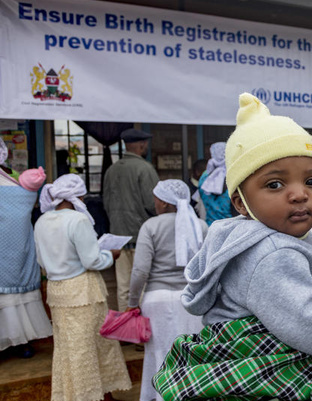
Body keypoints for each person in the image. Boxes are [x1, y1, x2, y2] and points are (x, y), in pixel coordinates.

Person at [181, 93, 312, 361]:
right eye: (275, 185)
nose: (299, 194)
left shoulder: (272, 239)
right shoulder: (274, 255)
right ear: (241, 203)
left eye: (311, 181)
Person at [34, 174, 132, 401]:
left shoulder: (41, 221)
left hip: (57, 291)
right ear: (77, 195)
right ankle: (95, 395)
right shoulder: (78, 220)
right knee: (93, 346)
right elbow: (92, 261)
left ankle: (75, 394)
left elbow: (41, 261)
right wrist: (111, 255)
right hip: (83, 290)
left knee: (69, 348)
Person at [126, 180, 207, 401]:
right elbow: (208, 267)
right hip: (190, 301)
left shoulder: (150, 226)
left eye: (155, 198)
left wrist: (132, 302)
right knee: (191, 351)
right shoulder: (199, 225)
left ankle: (161, 395)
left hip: (157, 300)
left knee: (159, 352)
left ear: (162, 202)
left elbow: (140, 271)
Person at [0, 140, 52, 359]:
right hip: (19, 248)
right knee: (17, 299)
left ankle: (13, 343)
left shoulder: (9, 177)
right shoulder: (13, 177)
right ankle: (22, 343)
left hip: (10, 247)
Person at [103, 127, 159, 311]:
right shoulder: (144, 168)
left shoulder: (111, 170)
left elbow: (106, 202)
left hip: (118, 237)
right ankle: (142, 330)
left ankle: (125, 329)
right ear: (142, 145)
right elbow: (153, 204)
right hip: (140, 234)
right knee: (141, 284)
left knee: (123, 286)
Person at [196, 141, 234, 225]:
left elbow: (200, 194)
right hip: (232, 226)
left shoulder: (205, 177)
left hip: (211, 226)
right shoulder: (233, 174)